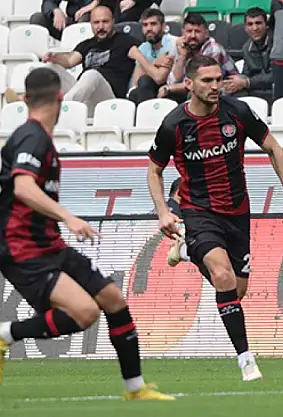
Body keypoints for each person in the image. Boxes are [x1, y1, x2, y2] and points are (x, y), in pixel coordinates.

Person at [0, 68, 173, 401]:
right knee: (85, 313)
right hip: (23, 249)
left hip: (49, 244)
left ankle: (135, 388)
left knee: (113, 300)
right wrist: (68, 217)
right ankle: (6, 334)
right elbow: (23, 187)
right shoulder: (32, 137)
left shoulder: (35, 136)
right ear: (60, 98)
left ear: (24, 100)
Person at [146, 55, 283, 382]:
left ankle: (188, 251)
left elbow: (273, 148)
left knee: (236, 291)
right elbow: (154, 170)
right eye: (207, 80)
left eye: (218, 79)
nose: (215, 86)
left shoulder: (238, 112)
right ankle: (246, 359)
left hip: (237, 211)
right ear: (189, 84)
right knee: (222, 276)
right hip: (199, 211)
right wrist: (162, 210)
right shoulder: (174, 124)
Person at [128, 8, 178, 105]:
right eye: (145, 25)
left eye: (153, 24)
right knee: (135, 93)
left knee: (146, 82)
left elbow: (159, 78)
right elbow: (137, 81)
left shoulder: (172, 43)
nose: (149, 28)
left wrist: (138, 56)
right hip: (148, 90)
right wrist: (155, 63)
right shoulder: (143, 48)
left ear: (163, 26)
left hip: (170, 89)